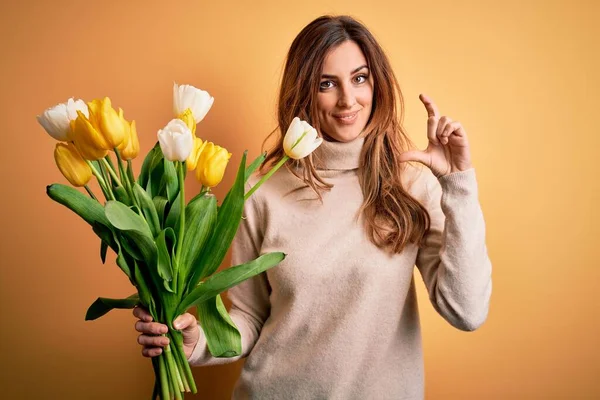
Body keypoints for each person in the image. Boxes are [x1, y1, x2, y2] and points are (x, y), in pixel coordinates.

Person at [133, 14, 492, 399]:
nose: (348, 100)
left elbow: (466, 311)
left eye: (359, 78)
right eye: (326, 84)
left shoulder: (411, 185)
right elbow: (250, 315)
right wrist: (198, 343)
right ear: (304, 91)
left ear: (377, 83)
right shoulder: (262, 190)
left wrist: (458, 183)